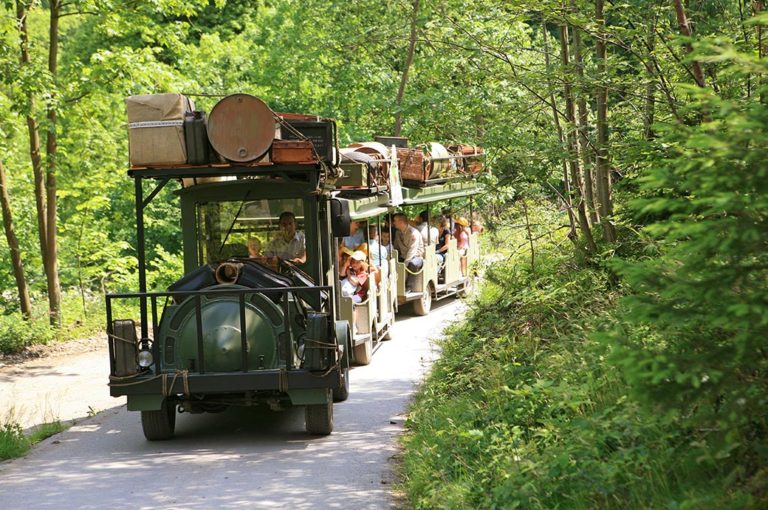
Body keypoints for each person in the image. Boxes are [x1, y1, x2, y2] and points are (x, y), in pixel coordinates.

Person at [393, 212, 424, 291]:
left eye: (395, 221)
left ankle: (409, 286)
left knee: (412, 263)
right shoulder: (398, 232)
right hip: (403, 256)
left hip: (416, 256)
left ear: (401, 222)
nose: (394, 223)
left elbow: (412, 250)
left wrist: (405, 264)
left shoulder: (413, 233)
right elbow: (396, 247)